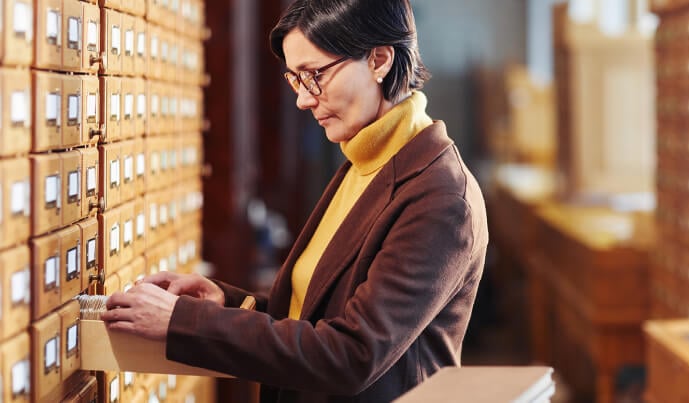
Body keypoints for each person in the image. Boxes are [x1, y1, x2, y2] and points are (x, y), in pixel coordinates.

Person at [100, 0, 489, 401]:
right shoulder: (365, 160)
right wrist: (230, 304)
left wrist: (186, 323)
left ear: (379, 59)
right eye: (296, 80)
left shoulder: (440, 197)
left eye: (315, 76)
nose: (304, 99)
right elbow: (320, 310)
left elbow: (351, 355)